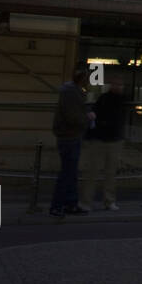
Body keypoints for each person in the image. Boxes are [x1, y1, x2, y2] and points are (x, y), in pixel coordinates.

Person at [50, 67, 93, 218]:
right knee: (68, 173)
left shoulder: (71, 91)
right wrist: (87, 119)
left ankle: (70, 204)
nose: (88, 82)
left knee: (70, 172)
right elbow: (73, 117)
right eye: (87, 78)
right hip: (70, 136)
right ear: (82, 78)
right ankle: (59, 205)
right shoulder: (72, 93)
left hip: (69, 135)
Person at [81, 77, 127, 211]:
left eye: (120, 84)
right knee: (98, 172)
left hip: (108, 138)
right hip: (105, 138)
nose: (118, 87)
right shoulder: (108, 99)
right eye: (116, 84)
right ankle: (97, 201)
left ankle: (91, 201)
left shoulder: (113, 99)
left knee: (104, 173)